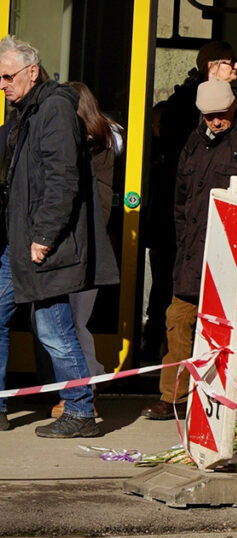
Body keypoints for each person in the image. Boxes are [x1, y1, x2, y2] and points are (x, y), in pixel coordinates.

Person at [0, 36, 119, 436]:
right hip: (16, 241)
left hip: (42, 244)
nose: (2, 84)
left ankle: (81, 410)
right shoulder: (25, 112)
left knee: (54, 327)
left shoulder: (53, 109)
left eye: (8, 76)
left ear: (32, 72)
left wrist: (44, 236)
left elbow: (61, 179)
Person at [140, 79, 237, 420]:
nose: (215, 122)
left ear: (232, 107)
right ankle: (174, 396)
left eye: (220, 115)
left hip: (234, 257)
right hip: (192, 255)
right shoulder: (195, 141)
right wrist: (185, 239)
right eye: (208, 116)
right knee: (178, 321)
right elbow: (182, 200)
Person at [141, 41, 237, 365]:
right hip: (183, 221)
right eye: (231, 62)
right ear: (212, 66)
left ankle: (159, 351)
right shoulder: (192, 109)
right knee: (174, 293)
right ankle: (163, 356)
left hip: (181, 220)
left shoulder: (191, 105)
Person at [45, 81, 124, 418]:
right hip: (85, 247)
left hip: (83, 249)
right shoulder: (102, 143)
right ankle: (90, 375)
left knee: (70, 324)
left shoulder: (93, 148)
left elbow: (97, 204)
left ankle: (80, 391)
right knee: (70, 323)